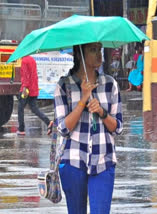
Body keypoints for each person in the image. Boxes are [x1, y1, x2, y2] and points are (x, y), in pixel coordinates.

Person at [54, 42, 123, 214]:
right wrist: (82, 101)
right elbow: (63, 128)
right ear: (79, 54)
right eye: (92, 50)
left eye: (99, 49)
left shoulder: (110, 84)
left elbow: (118, 128)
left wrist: (101, 111)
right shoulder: (64, 86)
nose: (99, 54)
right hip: (73, 161)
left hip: (103, 160)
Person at [17, 55, 53, 136]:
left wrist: (24, 88)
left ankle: (21, 129)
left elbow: (26, 76)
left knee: (20, 108)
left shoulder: (24, 61)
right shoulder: (32, 59)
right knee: (34, 109)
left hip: (27, 90)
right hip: (34, 88)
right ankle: (48, 122)